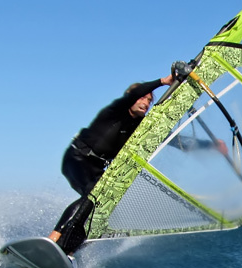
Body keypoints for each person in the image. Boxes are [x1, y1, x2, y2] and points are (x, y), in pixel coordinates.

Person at [48, 62, 225, 256]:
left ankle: (69, 251)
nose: (146, 102)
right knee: (95, 195)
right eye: (143, 98)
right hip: (77, 158)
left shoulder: (140, 129)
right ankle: (53, 239)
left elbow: (176, 140)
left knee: (104, 209)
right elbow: (135, 92)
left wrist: (211, 146)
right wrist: (163, 82)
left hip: (97, 168)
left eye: (149, 101)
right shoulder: (116, 111)